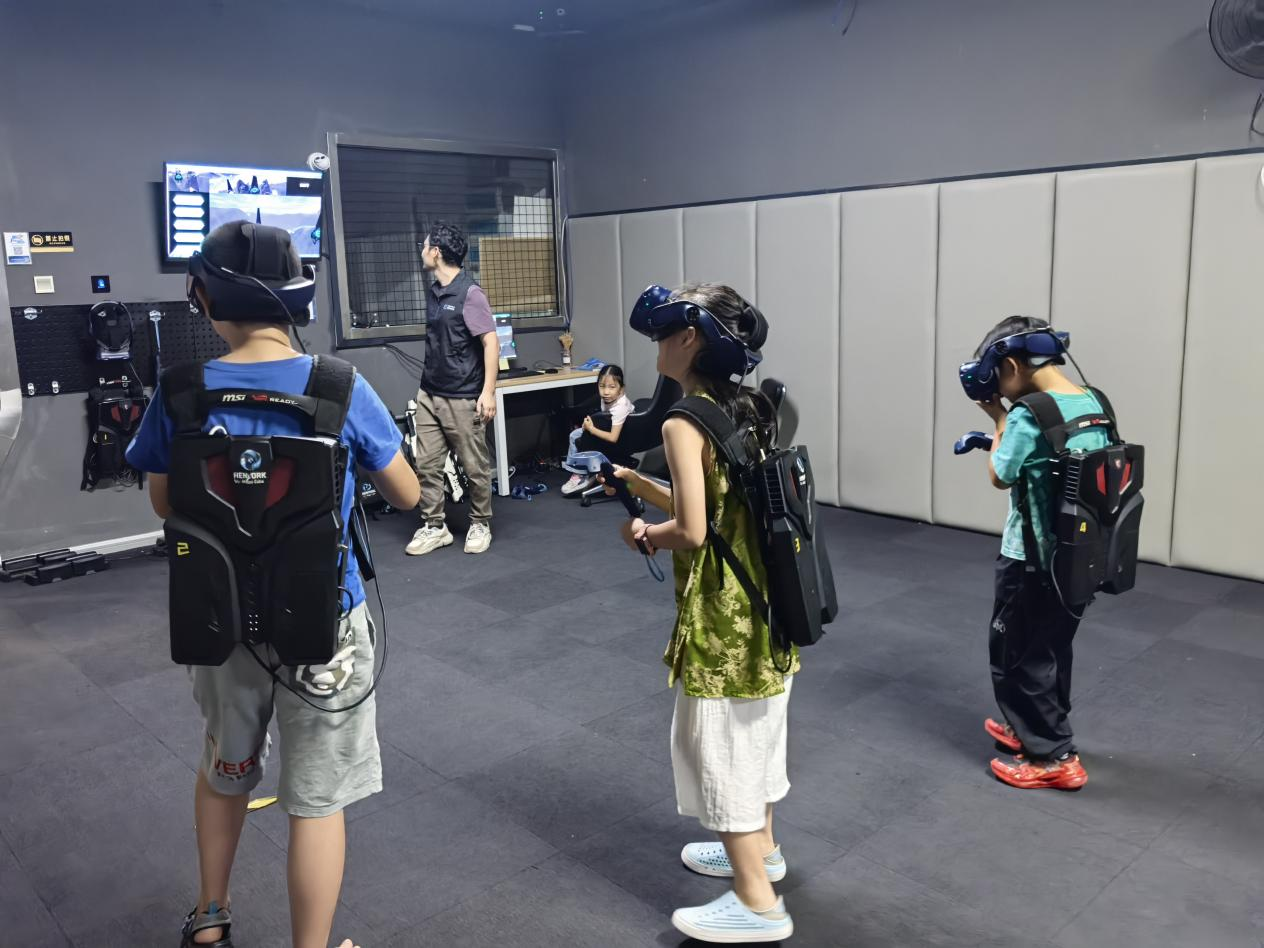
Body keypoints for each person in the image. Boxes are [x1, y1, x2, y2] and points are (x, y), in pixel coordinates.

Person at [126, 222, 420, 948]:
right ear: (299, 298)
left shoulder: (181, 391)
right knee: (318, 798)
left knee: (225, 769)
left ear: (204, 299)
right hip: (325, 624)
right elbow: (408, 494)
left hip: (219, 622)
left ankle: (210, 920)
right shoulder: (340, 386)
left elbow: (165, 503)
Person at [607, 283, 796, 943]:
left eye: (664, 335)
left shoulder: (682, 421)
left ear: (690, 339)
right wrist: (641, 485)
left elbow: (690, 530)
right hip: (768, 604)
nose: (657, 347)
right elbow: (717, 506)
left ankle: (757, 903)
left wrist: (644, 533)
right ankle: (763, 851)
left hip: (723, 617)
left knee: (719, 748)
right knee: (758, 738)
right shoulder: (747, 405)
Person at [972, 315, 1109, 791]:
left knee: (1016, 654)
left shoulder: (1027, 414)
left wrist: (998, 419)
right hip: (1077, 556)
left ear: (1012, 365)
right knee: (1050, 648)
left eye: (998, 375)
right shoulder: (1094, 401)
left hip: (1029, 559)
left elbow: (1001, 474)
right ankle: (1031, 728)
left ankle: (1054, 757)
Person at [405, 221, 498, 556]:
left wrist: (488, 392)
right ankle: (434, 526)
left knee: (474, 467)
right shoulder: (434, 291)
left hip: (462, 395)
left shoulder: (470, 294)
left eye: (424, 245)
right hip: (429, 392)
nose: (421, 250)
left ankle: (480, 523)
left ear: (436, 252)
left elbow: (490, 343)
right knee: (427, 465)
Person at [560, 363, 634, 496]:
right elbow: (603, 419)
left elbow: (613, 437)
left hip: (621, 438)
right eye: (602, 386)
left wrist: (591, 429)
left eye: (612, 387)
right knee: (575, 434)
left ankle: (581, 474)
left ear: (621, 389)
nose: (606, 392)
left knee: (577, 436)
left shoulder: (620, 407)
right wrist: (587, 425)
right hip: (608, 429)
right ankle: (580, 470)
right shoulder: (608, 398)